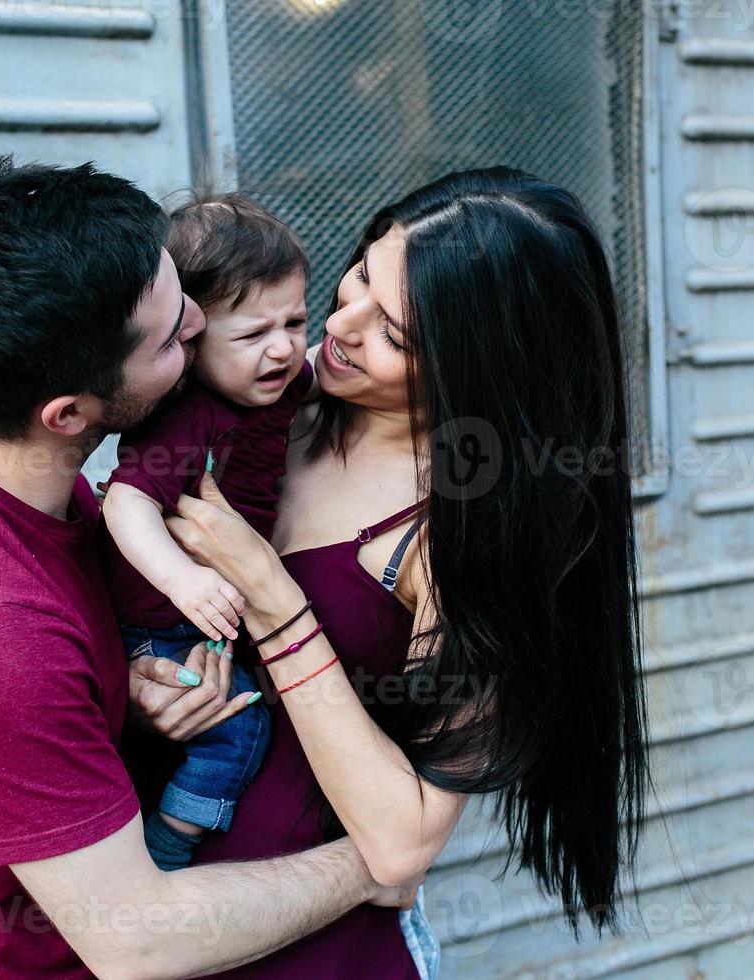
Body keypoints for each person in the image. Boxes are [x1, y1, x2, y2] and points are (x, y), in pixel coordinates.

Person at [0, 156, 419, 979]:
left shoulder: (28, 487)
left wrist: (138, 680)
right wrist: (377, 860)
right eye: (174, 334)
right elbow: (138, 940)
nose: (197, 320)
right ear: (70, 413)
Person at [137, 167, 651, 977]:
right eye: (360, 277)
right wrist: (146, 685)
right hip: (162, 916)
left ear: (480, 369)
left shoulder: (464, 530)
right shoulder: (271, 387)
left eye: (395, 336)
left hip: (321, 949)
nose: (339, 324)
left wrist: (274, 602)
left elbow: (405, 839)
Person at [98, 194, 312, 870]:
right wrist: (181, 578)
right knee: (238, 726)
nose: (282, 347)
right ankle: (168, 845)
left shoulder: (283, 381)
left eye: (297, 321)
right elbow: (125, 503)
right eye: (253, 334)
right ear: (189, 339)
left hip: (216, 609)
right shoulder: (185, 417)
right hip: (162, 620)